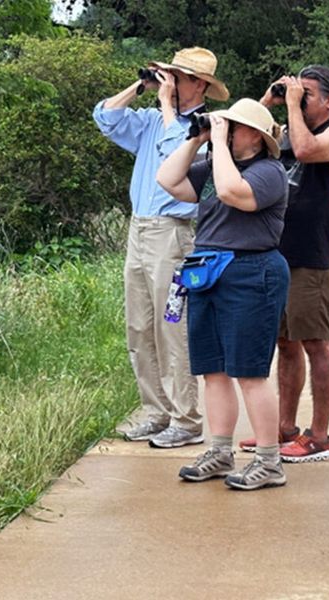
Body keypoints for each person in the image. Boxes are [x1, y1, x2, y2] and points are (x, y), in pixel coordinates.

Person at [93, 48, 229, 449]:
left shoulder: (209, 129)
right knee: (139, 326)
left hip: (173, 233)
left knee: (173, 328)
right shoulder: (152, 119)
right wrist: (141, 86)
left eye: (179, 78)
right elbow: (105, 117)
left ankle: (186, 419)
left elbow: (177, 152)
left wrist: (168, 106)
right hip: (139, 230)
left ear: (200, 85)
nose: (170, 83)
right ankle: (156, 411)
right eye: (167, 75)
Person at [156, 98, 292, 490]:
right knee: (212, 370)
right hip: (207, 271)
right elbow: (168, 180)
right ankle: (220, 450)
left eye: (234, 126)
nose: (227, 131)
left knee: (249, 371)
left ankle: (269, 460)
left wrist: (216, 137)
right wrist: (197, 139)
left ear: (255, 135)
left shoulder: (270, 171)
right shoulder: (216, 168)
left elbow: (235, 193)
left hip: (252, 271)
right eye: (225, 125)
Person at [237, 65, 329, 463]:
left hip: (312, 255)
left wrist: (291, 107)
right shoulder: (284, 126)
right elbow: (245, 141)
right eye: (296, 93)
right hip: (275, 252)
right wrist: (267, 103)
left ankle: (319, 436)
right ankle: (283, 428)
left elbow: (304, 151)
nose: (299, 99)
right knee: (284, 344)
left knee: (315, 343)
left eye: (307, 94)